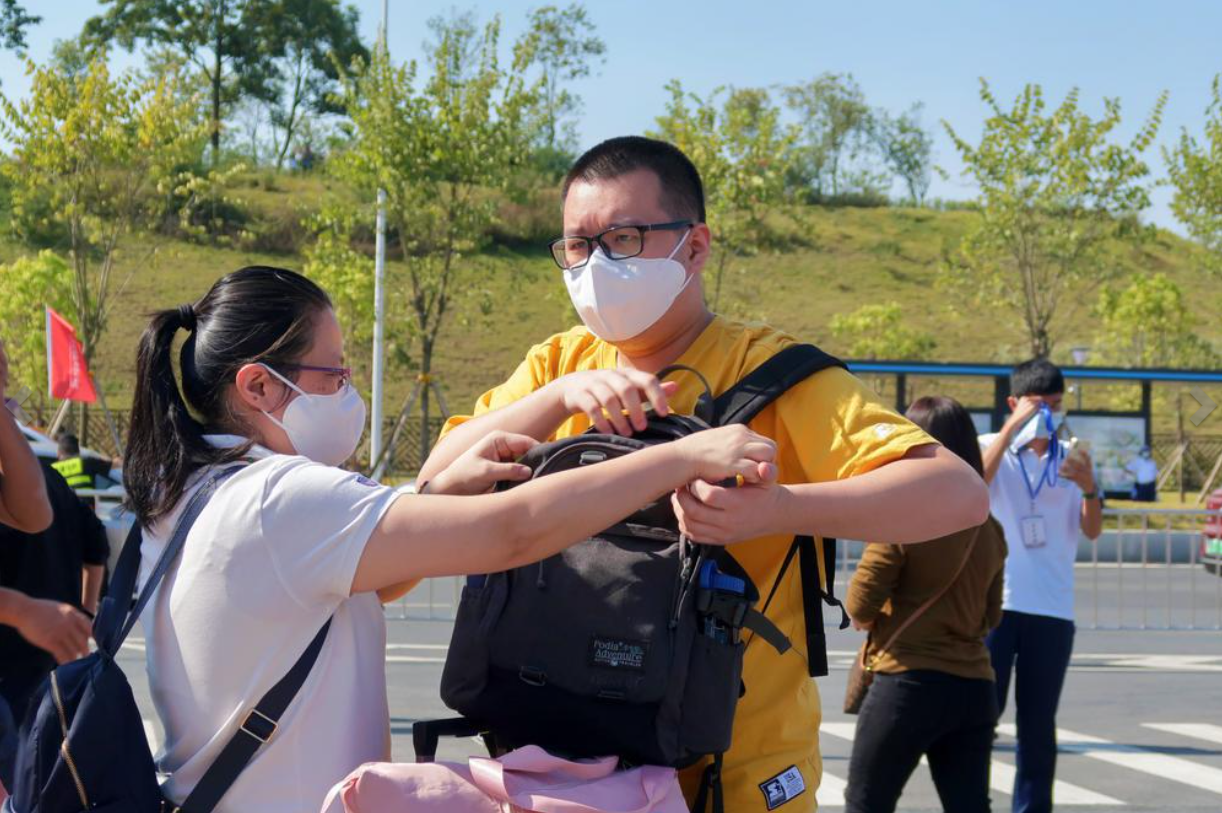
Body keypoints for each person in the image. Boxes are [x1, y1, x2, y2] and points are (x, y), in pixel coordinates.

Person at [421, 136, 991, 813]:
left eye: (625, 237)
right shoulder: (558, 363)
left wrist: (781, 508)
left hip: (735, 774)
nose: (596, 263)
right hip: (563, 765)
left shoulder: (778, 374)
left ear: (695, 246)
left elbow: (956, 493)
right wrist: (556, 399)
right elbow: (433, 487)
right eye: (578, 245)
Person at [123, 265, 775, 813]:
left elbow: (368, 581)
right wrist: (683, 458)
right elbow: (513, 531)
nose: (348, 393)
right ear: (258, 384)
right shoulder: (279, 498)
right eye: (334, 376)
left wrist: (444, 492)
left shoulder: (186, 490)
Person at [844, 396, 1008, 813]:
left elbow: (860, 606)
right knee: (970, 806)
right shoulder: (989, 528)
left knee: (867, 802)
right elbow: (991, 616)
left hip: (907, 685)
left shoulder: (903, 516)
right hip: (974, 688)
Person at [980, 359, 1103, 813]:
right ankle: (971, 801)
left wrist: (1090, 488)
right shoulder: (989, 447)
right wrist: (1014, 428)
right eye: (1038, 406)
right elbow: (974, 485)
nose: (1048, 416)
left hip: (1052, 611)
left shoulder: (1072, 456)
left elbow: (1092, 530)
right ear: (1013, 404)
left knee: (1037, 726)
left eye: (1055, 405)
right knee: (979, 720)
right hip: (996, 606)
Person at [0, 462, 109, 723]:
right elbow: (97, 546)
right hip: (58, 649)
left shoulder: (12, 490)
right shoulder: (52, 479)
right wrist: (85, 612)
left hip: (11, 660)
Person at [51, 432, 119, 492]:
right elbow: (116, 464)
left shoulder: (52, 468)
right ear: (78, 451)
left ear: (58, 453)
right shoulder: (87, 462)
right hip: (84, 505)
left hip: (60, 506)